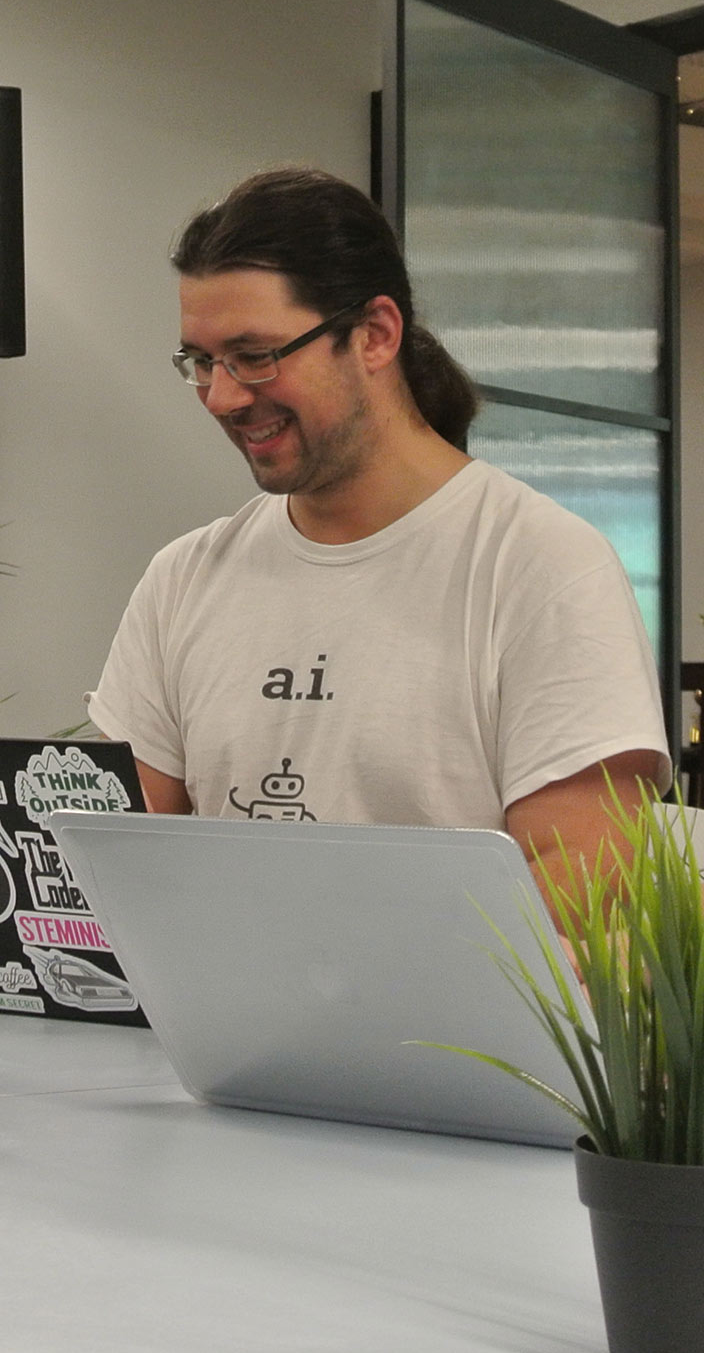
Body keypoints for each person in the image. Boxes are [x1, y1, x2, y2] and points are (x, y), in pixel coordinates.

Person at [87, 167, 671, 917]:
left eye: (254, 355)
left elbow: (579, 900)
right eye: (201, 362)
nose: (224, 396)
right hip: (226, 1030)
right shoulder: (183, 580)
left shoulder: (539, 567)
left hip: (448, 1034)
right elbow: (118, 858)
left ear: (375, 335)